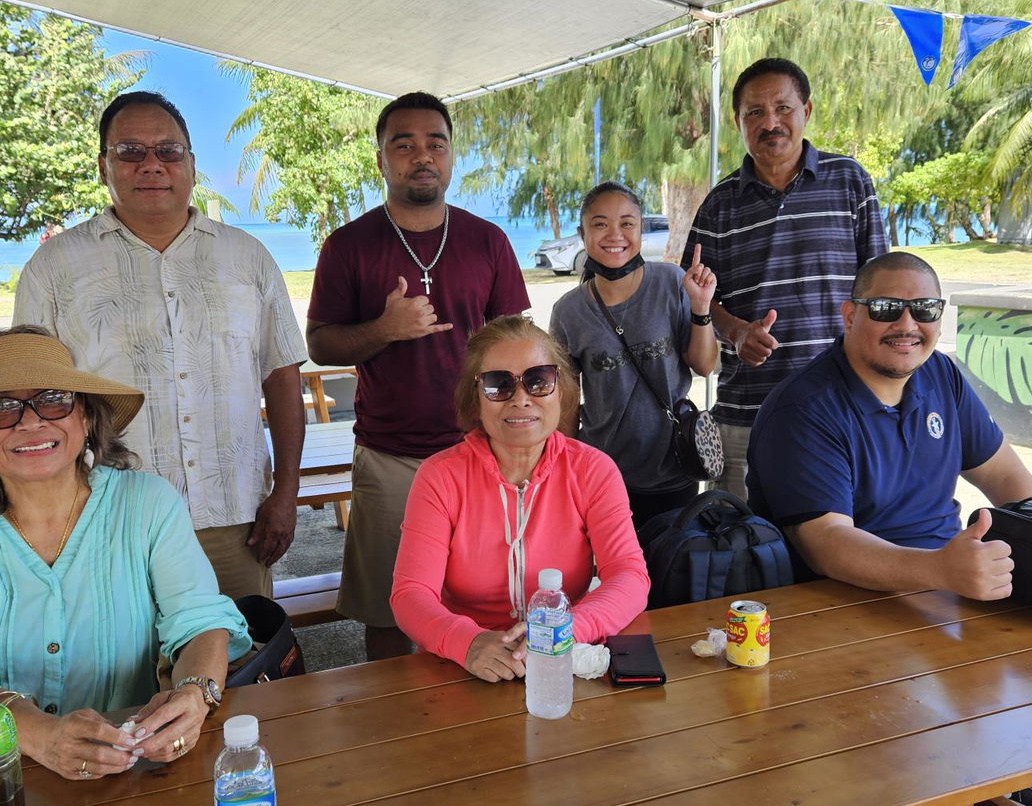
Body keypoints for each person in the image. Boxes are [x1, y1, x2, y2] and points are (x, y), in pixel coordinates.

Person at [746, 251, 1032, 806]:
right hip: (839, 600)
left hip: (943, 575)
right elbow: (825, 542)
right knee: (950, 670)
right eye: (886, 309)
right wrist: (941, 573)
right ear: (849, 315)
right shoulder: (807, 406)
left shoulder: (941, 381)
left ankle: (1001, 774)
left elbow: (1010, 482)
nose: (908, 324)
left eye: (924, 310)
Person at [349, 316, 648, 806]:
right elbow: (410, 596)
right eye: (499, 383)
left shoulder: (590, 470)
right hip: (459, 675)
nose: (521, 398)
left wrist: (562, 627)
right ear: (473, 398)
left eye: (538, 379)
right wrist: (470, 643)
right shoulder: (441, 475)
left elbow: (630, 579)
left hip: (554, 667)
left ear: (563, 391)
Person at [0, 327, 254, 780]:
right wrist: (41, 734)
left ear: (85, 417)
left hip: (132, 765)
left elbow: (200, 622)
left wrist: (196, 693)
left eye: (54, 399)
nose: (30, 422)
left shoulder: (148, 503)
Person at [15, 90, 306, 601]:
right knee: (123, 669)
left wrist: (284, 493)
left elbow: (282, 376)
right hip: (104, 513)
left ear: (191, 166)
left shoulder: (248, 259)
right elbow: (33, 396)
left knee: (242, 661)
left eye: (168, 151)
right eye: (130, 151)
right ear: (103, 166)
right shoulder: (55, 268)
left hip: (233, 515)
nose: (152, 164)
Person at [306, 92, 530, 661]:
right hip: (389, 456)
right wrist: (383, 328)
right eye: (403, 144)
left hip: (482, 454)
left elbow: (516, 344)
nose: (421, 155)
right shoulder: (348, 245)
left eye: (436, 143)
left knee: (484, 599)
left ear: (452, 157)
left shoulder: (488, 241)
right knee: (389, 609)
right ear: (381, 160)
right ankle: (389, 729)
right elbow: (320, 342)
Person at [679, 57, 886, 500]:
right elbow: (692, 298)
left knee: (840, 550)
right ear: (738, 122)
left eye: (782, 108)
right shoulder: (718, 206)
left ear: (806, 111)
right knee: (741, 551)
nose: (770, 122)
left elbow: (882, 291)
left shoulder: (850, 181)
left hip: (842, 409)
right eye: (755, 112)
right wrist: (735, 332)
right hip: (744, 417)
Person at [549, 181, 719, 527]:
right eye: (601, 224)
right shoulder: (569, 311)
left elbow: (705, 365)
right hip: (603, 473)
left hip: (674, 467)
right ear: (583, 234)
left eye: (627, 223)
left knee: (672, 568)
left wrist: (701, 307)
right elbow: (566, 404)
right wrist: (565, 471)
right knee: (614, 575)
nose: (615, 235)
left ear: (641, 230)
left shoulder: (671, 283)